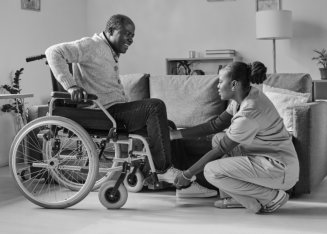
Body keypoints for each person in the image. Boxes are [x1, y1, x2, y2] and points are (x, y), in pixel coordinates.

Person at [45, 14, 183, 185]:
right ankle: (162, 169)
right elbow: (53, 52)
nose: (131, 40)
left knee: (168, 126)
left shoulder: (108, 51)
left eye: (132, 35)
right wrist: (71, 86)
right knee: (155, 106)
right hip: (103, 112)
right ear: (110, 31)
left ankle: (181, 180)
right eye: (127, 34)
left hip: (114, 110)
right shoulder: (92, 45)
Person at [171, 61, 299, 213]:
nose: (217, 86)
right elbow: (216, 125)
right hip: (266, 158)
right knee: (218, 137)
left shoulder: (248, 112)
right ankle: (238, 199)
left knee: (211, 170)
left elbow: (221, 149)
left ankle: (272, 197)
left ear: (234, 85)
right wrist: (175, 134)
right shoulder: (243, 97)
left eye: (220, 82)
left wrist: (187, 174)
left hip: (279, 168)